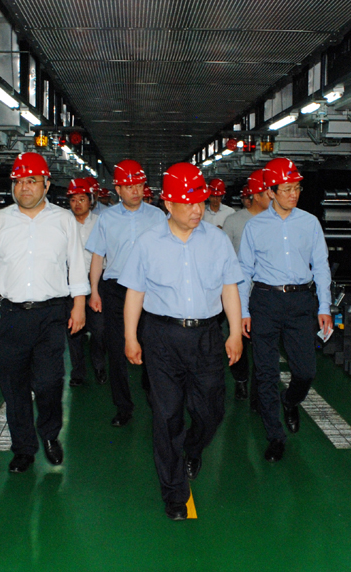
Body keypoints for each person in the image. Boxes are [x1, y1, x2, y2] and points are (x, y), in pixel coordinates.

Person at [119, 162, 243, 520]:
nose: (196, 210)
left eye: (200, 202)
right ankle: (173, 492)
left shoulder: (217, 240)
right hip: (162, 337)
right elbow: (135, 293)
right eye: (188, 203)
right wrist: (130, 337)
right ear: (168, 204)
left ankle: (193, 446)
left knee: (211, 411)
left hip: (206, 336)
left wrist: (235, 333)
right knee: (167, 414)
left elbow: (230, 289)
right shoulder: (148, 243)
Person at [0, 152, 89, 473]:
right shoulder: (0, 220)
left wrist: (79, 304)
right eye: (19, 181)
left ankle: (49, 434)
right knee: (14, 385)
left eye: (32, 181)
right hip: (11, 315)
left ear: (46, 185)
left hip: (51, 314)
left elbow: (76, 264)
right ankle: (23, 448)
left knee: (49, 382)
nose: (24, 187)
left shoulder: (63, 220)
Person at [238, 158, 332, 463]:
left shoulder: (310, 222)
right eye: (288, 188)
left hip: (301, 302)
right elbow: (244, 270)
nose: (294, 194)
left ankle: (290, 400)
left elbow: (321, 266)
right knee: (265, 373)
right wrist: (243, 311)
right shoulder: (255, 227)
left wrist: (325, 306)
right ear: (271, 191)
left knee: (306, 371)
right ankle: (275, 436)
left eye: (297, 188)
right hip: (265, 301)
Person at [86, 159, 166, 427]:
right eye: (129, 186)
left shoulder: (158, 217)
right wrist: (94, 291)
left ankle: (154, 396)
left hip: (149, 290)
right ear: (118, 189)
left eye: (139, 185)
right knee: (117, 348)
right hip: (116, 290)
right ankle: (123, 406)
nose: (135, 190)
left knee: (151, 345)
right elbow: (98, 257)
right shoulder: (106, 218)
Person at [221, 169, 272, 403]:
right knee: (238, 336)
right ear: (256, 195)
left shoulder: (276, 222)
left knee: (262, 344)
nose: (272, 196)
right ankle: (240, 379)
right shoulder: (234, 221)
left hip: (265, 292)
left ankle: (258, 393)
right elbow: (225, 255)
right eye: (267, 192)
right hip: (239, 291)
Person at [66, 177, 106, 386]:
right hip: (71, 284)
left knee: (99, 330)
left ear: (91, 200)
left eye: (82, 199)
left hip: (96, 282)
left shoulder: (101, 222)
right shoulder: (64, 223)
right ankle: (78, 372)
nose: (77, 204)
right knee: (74, 330)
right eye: (73, 200)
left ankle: (99, 367)